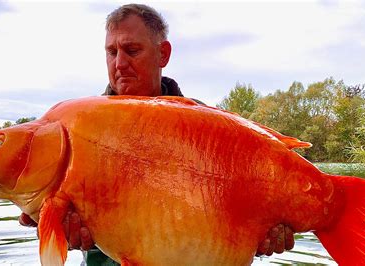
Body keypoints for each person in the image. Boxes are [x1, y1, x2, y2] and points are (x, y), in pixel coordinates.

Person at [20, 3, 295, 264]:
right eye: (112, 52)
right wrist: (59, 228)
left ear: (163, 53)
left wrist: (260, 236)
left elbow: (234, 219)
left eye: (132, 50)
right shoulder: (77, 128)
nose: (120, 63)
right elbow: (59, 224)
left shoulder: (210, 128)